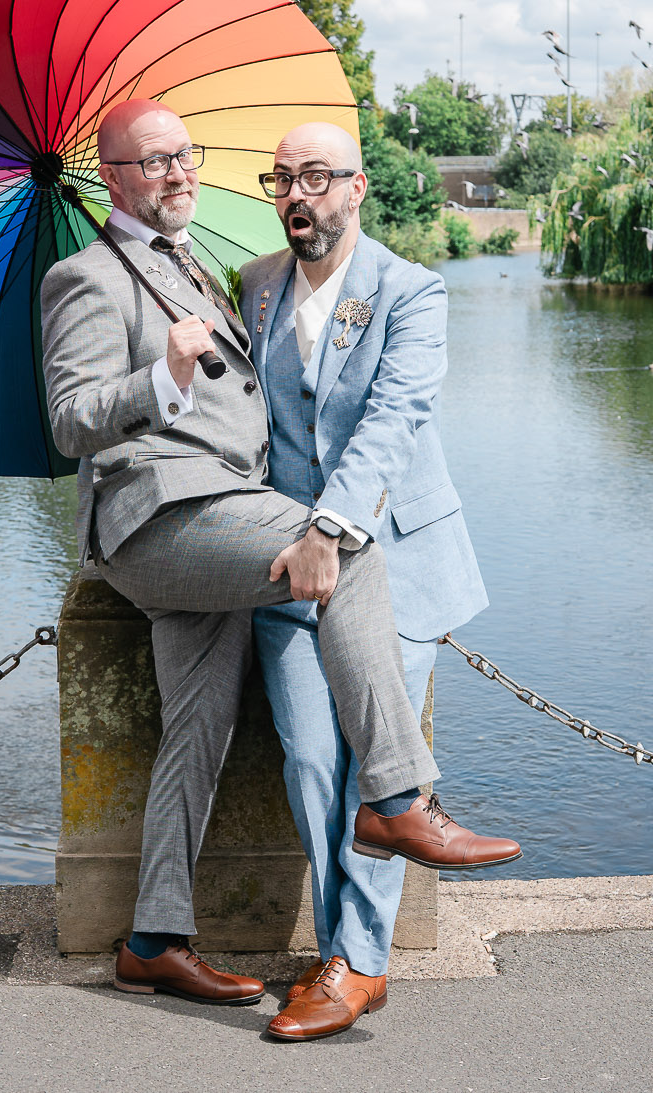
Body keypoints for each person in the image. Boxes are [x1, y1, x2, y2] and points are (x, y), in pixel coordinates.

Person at [39, 99, 518, 1013]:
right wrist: (159, 379)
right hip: (173, 522)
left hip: (237, 525)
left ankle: (153, 937)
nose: (179, 173)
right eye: (155, 161)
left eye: (187, 155)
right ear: (113, 178)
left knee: (199, 723)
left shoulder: (231, 274)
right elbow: (71, 419)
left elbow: (383, 423)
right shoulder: (90, 276)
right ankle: (397, 802)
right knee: (341, 555)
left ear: (356, 188)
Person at [238, 120, 499, 1041]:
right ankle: (346, 949)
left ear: (357, 188)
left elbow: (393, 420)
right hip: (289, 575)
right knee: (312, 757)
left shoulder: (412, 291)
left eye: (317, 177)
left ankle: (356, 961)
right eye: (283, 180)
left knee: (370, 773)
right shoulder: (257, 286)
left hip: (393, 560)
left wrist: (330, 527)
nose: (298, 195)